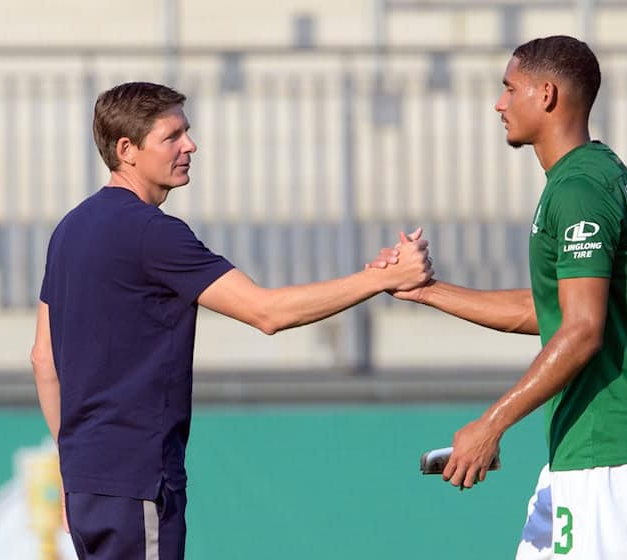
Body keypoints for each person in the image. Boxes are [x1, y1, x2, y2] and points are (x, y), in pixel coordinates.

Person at [30, 81, 433, 560]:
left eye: (188, 131)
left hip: (86, 480)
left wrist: (77, 464)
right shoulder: (152, 233)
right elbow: (267, 312)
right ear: (127, 150)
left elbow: (42, 359)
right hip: (136, 475)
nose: (190, 145)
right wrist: (380, 279)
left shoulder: (70, 228)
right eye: (173, 136)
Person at [372, 35, 627, 559]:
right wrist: (427, 291)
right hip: (583, 445)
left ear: (547, 95)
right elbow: (547, 312)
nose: (499, 103)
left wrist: (491, 425)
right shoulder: (590, 174)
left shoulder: (581, 187)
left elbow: (580, 331)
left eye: (510, 89)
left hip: (609, 448)